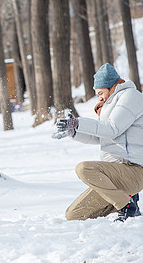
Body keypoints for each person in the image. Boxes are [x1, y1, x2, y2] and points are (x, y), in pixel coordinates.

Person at [53, 63, 143, 222]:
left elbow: (112, 129)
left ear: (112, 87)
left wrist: (78, 122)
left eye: (101, 92)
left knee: (84, 168)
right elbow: (100, 136)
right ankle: (124, 199)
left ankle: (127, 207)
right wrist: (73, 131)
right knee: (74, 215)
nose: (99, 97)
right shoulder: (109, 104)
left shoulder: (131, 96)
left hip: (133, 169)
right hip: (113, 175)